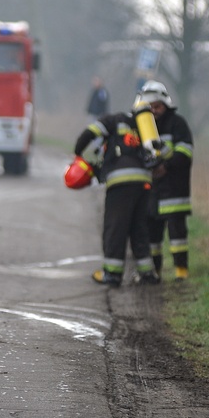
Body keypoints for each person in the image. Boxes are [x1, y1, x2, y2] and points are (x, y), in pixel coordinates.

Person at [74, 103, 160, 287]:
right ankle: (147, 274)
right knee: (139, 229)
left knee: (115, 228)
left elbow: (88, 134)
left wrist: (77, 153)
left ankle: (112, 274)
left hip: (120, 184)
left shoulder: (112, 120)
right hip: (143, 183)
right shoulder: (143, 127)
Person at [137, 81, 193, 281]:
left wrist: (165, 165)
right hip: (152, 190)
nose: (154, 110)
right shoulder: (141, 126)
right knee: (152, 236)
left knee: (178, 235)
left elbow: (185, 151)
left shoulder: (177, 123)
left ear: (166, 104)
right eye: (150, 107)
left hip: (174, 188)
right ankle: (156, 272)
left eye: (158, 106)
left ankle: (181, 272)